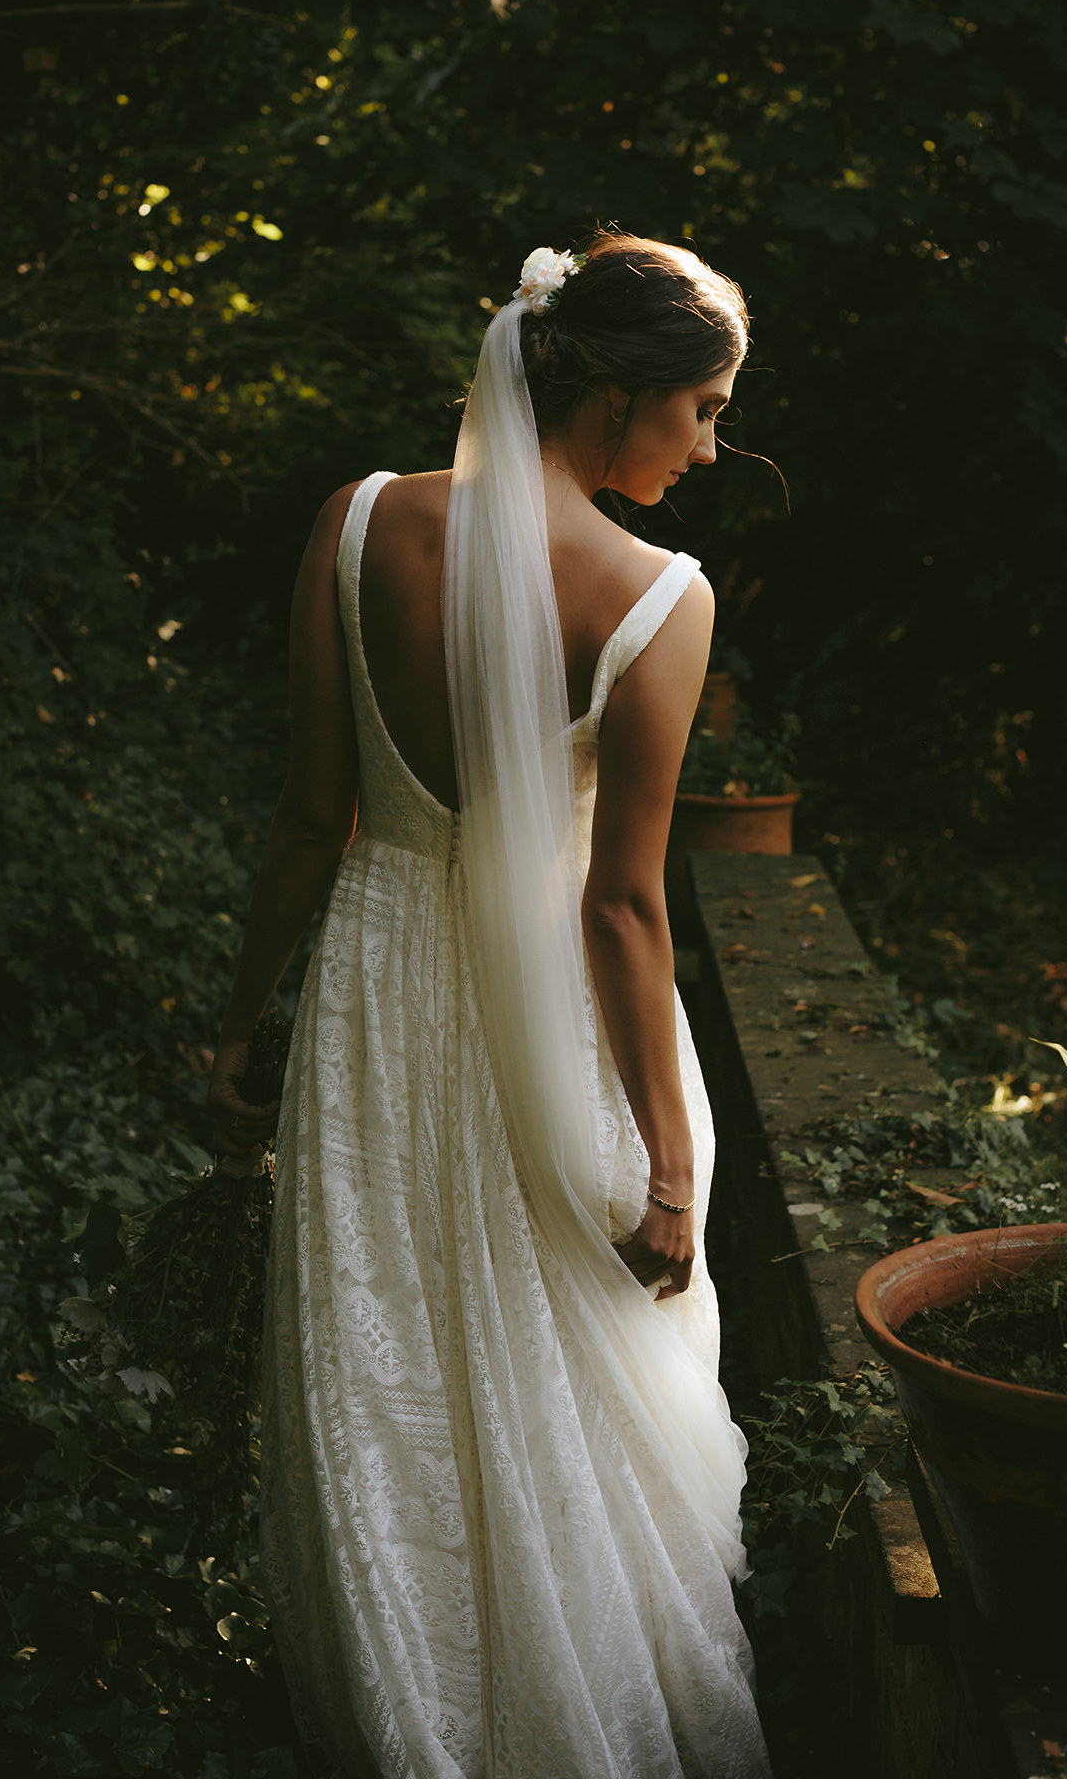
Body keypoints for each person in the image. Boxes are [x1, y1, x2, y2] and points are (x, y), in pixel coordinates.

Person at [207, 230, 772, 1778]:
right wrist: (670, 1163)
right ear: (617, 395)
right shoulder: (660, 601)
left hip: (375, 990)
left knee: (391, 1352)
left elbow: (308, 813)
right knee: (554, 1377)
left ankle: (417, 1717)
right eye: (704, 408)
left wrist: (237, 1025)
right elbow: (621, 905)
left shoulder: (359, 521)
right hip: (546, 1022)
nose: (712, 446)